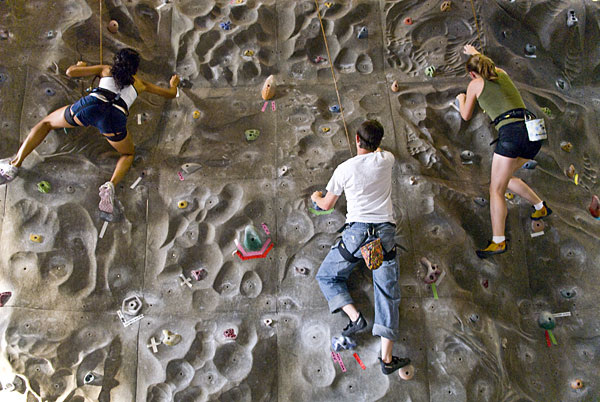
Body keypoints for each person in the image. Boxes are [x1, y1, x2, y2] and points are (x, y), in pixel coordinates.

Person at [0, 48, 180, 213]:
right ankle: (110, 186)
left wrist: (81, 66)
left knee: (46, 124)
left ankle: (14, 165)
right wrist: (174, 83)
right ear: (135, 70)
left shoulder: (106, 69)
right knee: (128, 154)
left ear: (117, 62)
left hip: (92, 106)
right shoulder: (141, 84)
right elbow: (171, 94)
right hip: (114, 118)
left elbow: (70, 72)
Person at [312, 120, 410, 375]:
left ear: (356, 139)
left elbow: (327, 205)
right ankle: (386, 359)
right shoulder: (386, 159)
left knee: (326, 276)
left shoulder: (344, 169)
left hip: (356, 236)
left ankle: (355, 317)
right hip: (384, 236)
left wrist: (315, 197)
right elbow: (378, 152)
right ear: (379, 142)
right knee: (387, 292)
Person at [456, 45, 551, 259]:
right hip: (533, 132)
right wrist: (475, 54)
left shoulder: (475, 84)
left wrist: (462, 97)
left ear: (472, 74)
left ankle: (498, 241)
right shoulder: (502, 73)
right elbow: (486, 64)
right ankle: (540, 206)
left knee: (495, 189)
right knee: (504, 179)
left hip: (511, 135)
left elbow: (465, 115)